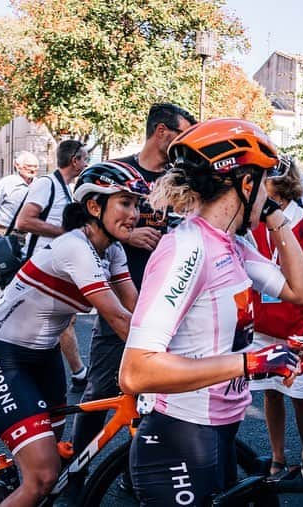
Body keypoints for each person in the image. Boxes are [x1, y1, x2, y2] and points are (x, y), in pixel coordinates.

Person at [118, 118, 303, 505]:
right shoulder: (188, 248)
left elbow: (302, 290)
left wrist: (273, 214)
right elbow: (136, 371)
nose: (268, 197)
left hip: (219, 429)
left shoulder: (231, 245)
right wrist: (252, 363)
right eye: (264, 187)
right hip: (181, 436)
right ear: (246, 184)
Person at [0, 161, 147, 506]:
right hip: (6, 358)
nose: (135, 214)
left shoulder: (111, 249)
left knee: (55, 460)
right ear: (94, 206)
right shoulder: (75, 247)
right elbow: (117, 317)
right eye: (126, 203)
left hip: (45, 357)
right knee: (42, 477)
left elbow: (137, 307)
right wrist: (175, 363)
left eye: (138, 204)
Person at [71, 103, 196, 454]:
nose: (184, 143)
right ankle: (76, 476)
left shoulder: (181, 180)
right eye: (180, 133)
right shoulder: (118, 171)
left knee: (157, 399)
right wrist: (129, 235)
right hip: (120, 296)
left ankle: (134, 471)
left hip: (168, 300)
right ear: (160, 131)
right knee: (102, 390)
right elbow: (83, 228)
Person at [249, 158, 303, 479]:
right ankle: (278, 455)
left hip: (297, 328)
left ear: (278, 194)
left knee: (301, 396)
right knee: (271, 391)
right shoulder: (255, 222)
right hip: (262, 325)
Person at [16, 139, 90, 392]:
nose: (87, 163)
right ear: (74, 160)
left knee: (56, 322)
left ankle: (71, 373)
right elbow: (24, 221)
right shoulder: (47, 184)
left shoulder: (66, 188)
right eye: (85, 158)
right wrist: (63, 232)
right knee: (55, 322)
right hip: (39, 267)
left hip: (56, 266)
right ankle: (77, 373)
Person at [0, 151, 39, 239]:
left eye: (35, 166)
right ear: (17, 166)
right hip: (8, 233)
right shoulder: (6, 183)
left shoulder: (39, 184)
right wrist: (5, 223)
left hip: (32, 234)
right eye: (29, 166)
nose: (32, 169)